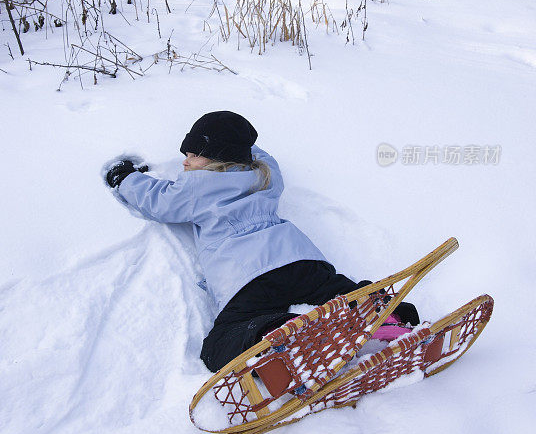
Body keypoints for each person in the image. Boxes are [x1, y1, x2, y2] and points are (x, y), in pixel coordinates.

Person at [106, 111, 418, 373]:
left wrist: (124, 177)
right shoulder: (265, 175)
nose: (184, 163)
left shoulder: (195, 188)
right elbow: (259, 152)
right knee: (336, 291)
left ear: (214, 159)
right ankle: (382, 315)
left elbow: (155, 200)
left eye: (192, 155)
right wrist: (238, 144)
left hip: (246, 278)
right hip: (300, 260)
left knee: (219, 346)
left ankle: (278, 335)